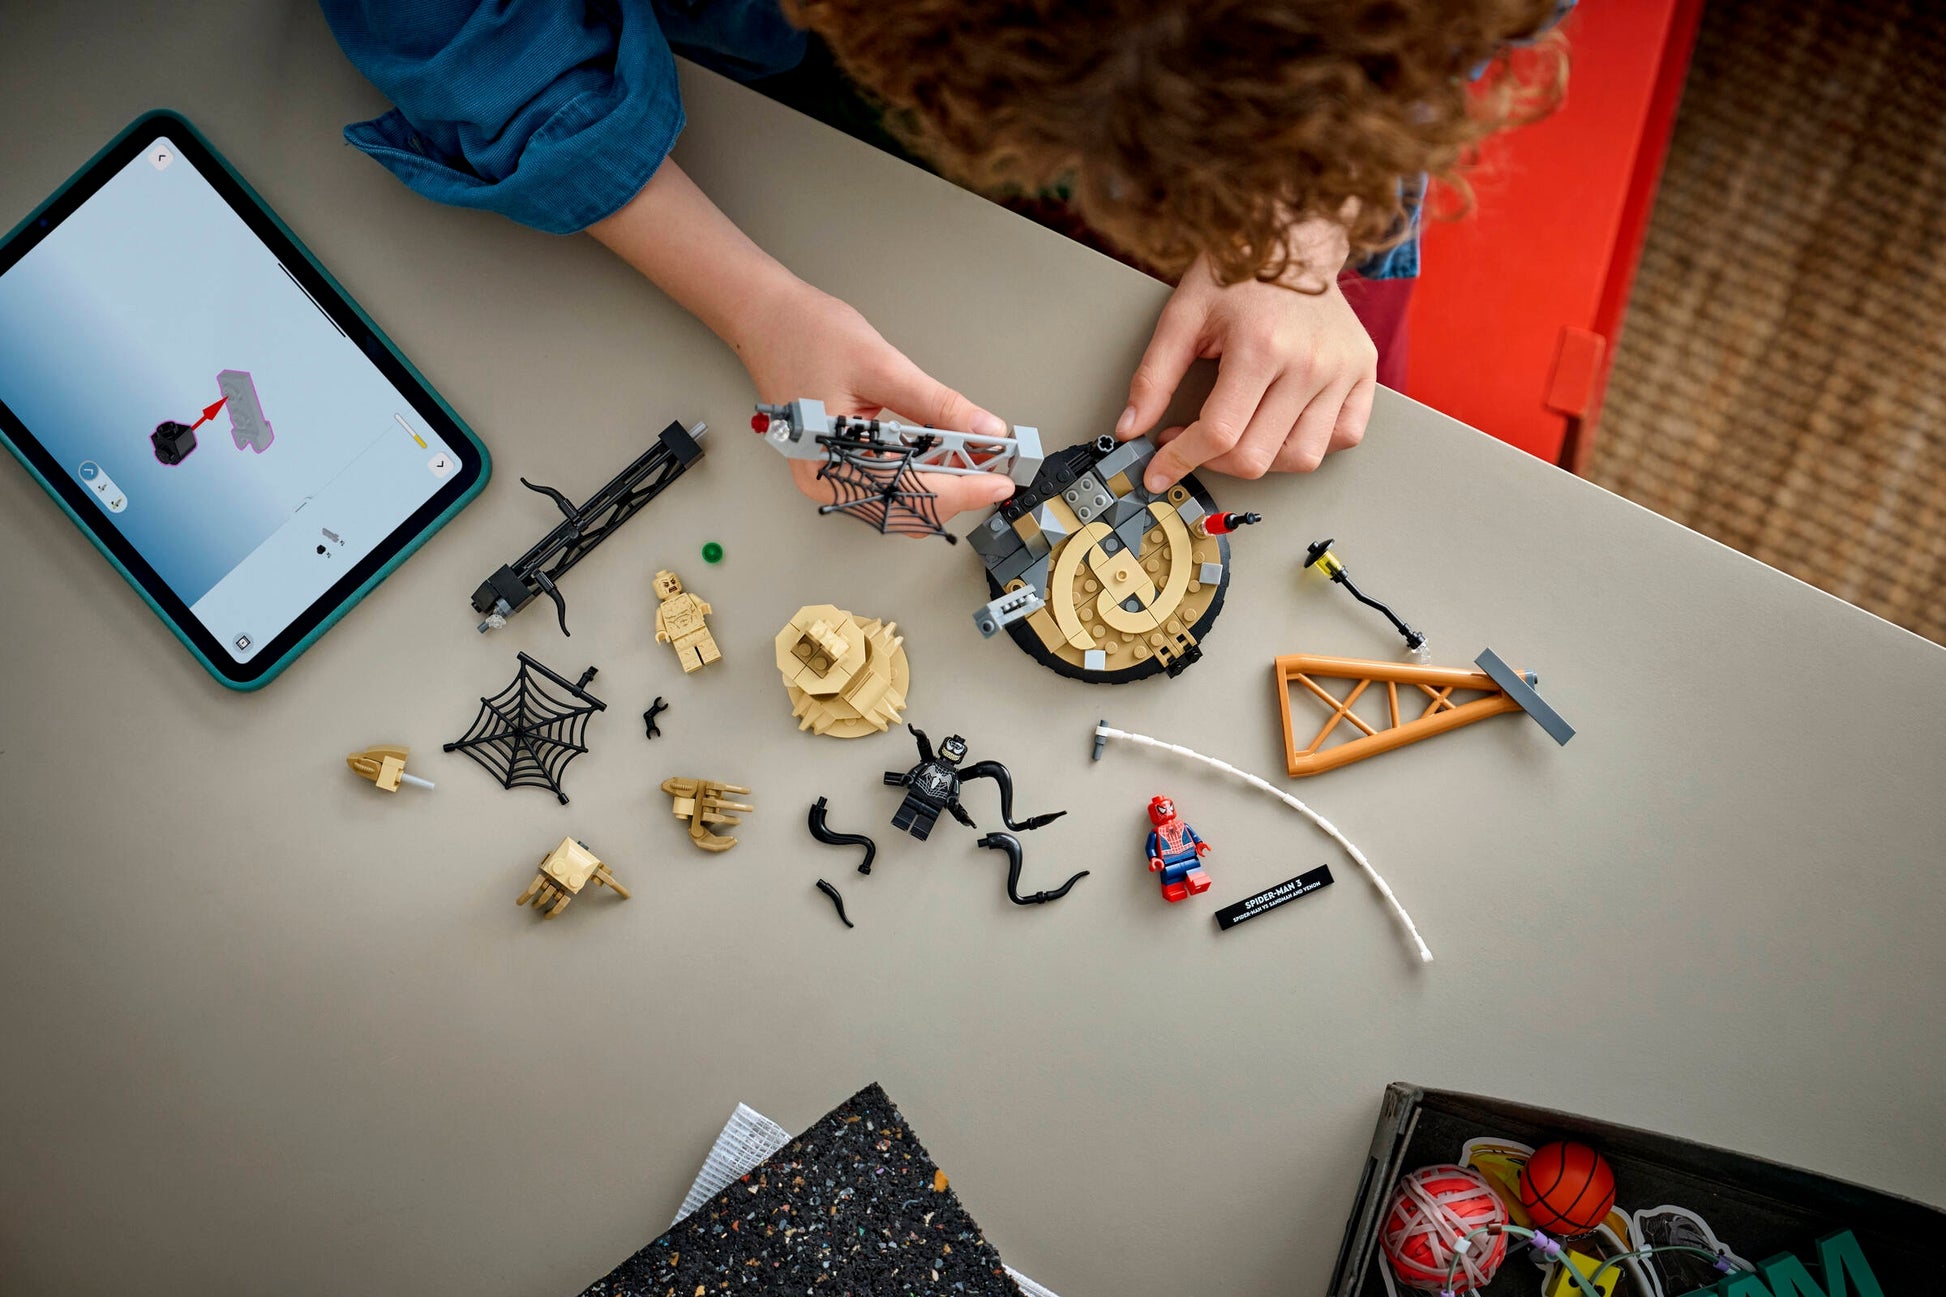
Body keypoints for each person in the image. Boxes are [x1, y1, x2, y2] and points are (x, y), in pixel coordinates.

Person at [320, 1, 1563, 525]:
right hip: (754, 100)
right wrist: (751, 303)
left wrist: (1299, 229)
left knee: (1326, 432)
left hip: (1298, 176)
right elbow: (463, 31)